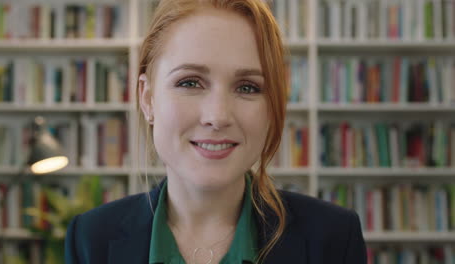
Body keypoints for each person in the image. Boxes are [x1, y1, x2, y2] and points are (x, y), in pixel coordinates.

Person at [65, 0, 367, 263]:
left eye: (248, 87)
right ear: (148, 98)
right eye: (190, 82)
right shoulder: (91, 239)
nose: (218, 116)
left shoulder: (334, 238)